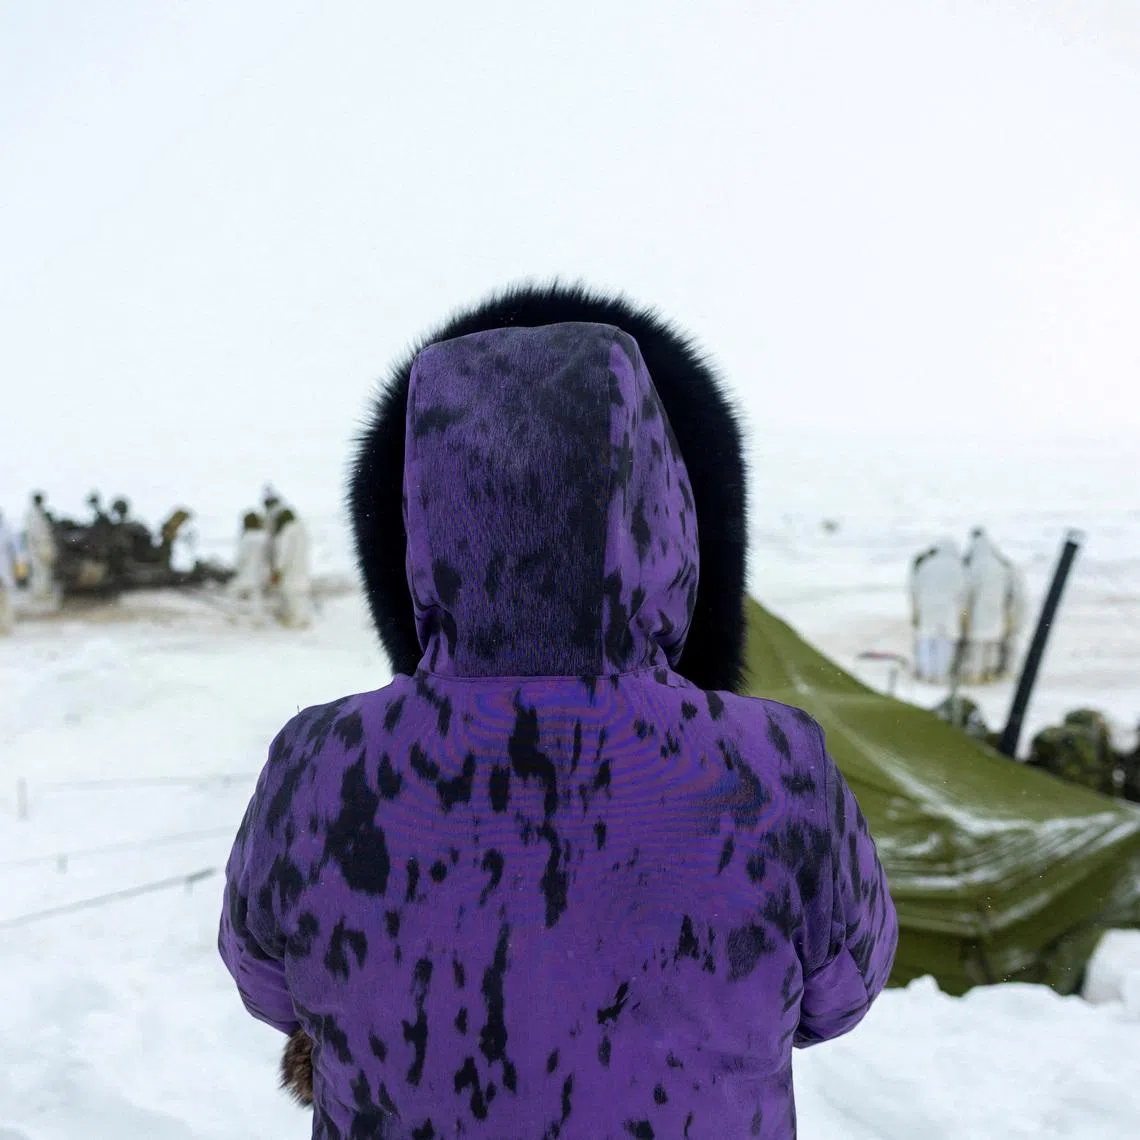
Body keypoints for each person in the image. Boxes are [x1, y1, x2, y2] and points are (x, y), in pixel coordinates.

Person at [219, 292, 897, 1140]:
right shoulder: (777, 765)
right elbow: (840, 993)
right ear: (670, 514)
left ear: (415, 520)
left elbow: (266, 981)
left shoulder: (317, 764)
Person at [909, 538, 968, 683]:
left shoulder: (926, 565)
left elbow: (914, 589)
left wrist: (916, 609)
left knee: (926, 640)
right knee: (945, 642)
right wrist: (964, 613)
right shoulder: (957, 567)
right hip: (948, 610)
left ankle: (926, 672)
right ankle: (940, 674)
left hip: (927, 608)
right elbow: (963, 593)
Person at [963, 527, 1016, 683]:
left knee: (978, 646)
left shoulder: (974, 566)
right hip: (997, 611)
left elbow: (968, 593)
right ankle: (990, 673)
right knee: (993, 644)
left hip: (978, 612)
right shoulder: (1000, 566)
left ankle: (975, 675)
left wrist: (965, 614)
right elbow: (1009, 593)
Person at [271, 506, 312, 628]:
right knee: (301, 594)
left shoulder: (287, 531)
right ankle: (303, 618)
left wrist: (277, 569)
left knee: (290, 594)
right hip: (303, 565)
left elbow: (283, 553)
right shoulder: (302, 529)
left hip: (290, 569)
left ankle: (295, 621)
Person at [229, 511, 272, 625]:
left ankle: (233, 615)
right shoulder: (265, 537)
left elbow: (241, 557)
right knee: (257, 595)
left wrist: (236, 569)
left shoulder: (247, 537)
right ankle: (258, 619)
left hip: (247, 571)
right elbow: (269, 555)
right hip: (261, 571)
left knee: (234, 591)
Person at [24, 491, 59, 609]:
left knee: (44, 573)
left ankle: (43, 597)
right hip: (38, 549)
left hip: (42, 548)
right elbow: (37, 535)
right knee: (40, 573)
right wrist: (41, 549)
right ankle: (40, 597)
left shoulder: (39, 513)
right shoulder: (33, 514)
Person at [0, 510, 21, 634]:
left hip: (5, 569)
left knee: (6, 599)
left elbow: (16, 551)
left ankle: (6, 626)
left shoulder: (7, 529)